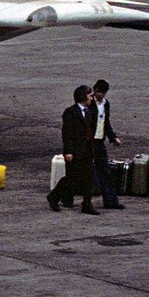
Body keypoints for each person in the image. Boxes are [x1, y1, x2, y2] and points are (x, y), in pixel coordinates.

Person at [48, 84, 100, 215]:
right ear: (83, 97)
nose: (91, 98)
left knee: (89, 177)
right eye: (89, 95)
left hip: (87, 149)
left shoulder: (89, 111)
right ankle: (54, 196)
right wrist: (69, 151)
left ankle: (87, 204)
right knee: (72, 178)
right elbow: (67, 133)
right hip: (76, 151)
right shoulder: (71, 112)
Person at [89, 78, 123, 210]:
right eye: (98, 92)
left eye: (102, 93)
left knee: (105, 172)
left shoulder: (105, 104)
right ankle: (63, 197)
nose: (99, 95)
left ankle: (111, 202)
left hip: (99, 142)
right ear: (94, 90)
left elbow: (106, 122)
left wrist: (113, 137)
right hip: (88, 142)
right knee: (80, 170)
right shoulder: (88, 102)